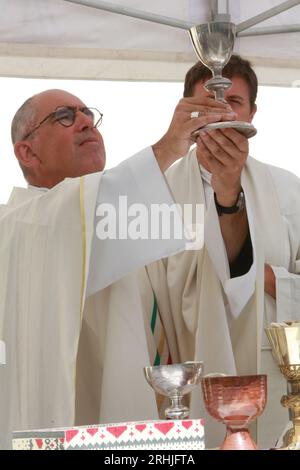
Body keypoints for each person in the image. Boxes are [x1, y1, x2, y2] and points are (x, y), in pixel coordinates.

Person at [0, 88, 237, 448]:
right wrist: (170, 146)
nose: (84, 122)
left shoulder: (122, 223)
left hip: (143, 441)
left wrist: (223, 189)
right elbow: (77, 214)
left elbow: (190, 288)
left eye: (87, 114)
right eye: (65, 115)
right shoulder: (19, 227)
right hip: (75, 431)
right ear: (27, 151)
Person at [138, 55, 300, 449]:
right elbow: (143, 291)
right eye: (207, 105)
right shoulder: (157, 193)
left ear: (253, 112)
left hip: (273, 371)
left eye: (235, 103)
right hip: (188, 369)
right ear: (185, 112)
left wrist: (268, 280)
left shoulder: (289, 190)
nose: (222, 115)